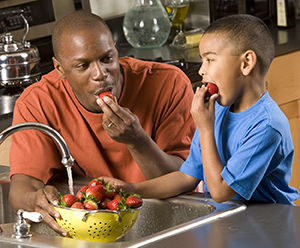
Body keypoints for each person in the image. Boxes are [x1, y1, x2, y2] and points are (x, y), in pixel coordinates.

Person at [8, 11, 195, 236]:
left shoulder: (168, 83)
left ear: (116, 49)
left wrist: (137, 141)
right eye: (83, 66)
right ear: (60, 69)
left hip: (162, 222)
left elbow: (184, 180)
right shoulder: (38, 102)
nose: (100, 74)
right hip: (84, 230)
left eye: (107, 58)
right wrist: (34, 200)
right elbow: (22, 187)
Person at [100, 14, 299, 205]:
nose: (201, 70)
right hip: (235, 221)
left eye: (210, 59)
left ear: (246, 63)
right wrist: (131, 189)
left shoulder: (268, 126)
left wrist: (205, 129)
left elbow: (221, 192)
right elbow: (187, 176)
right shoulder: (219, 110)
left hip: (269, 227)